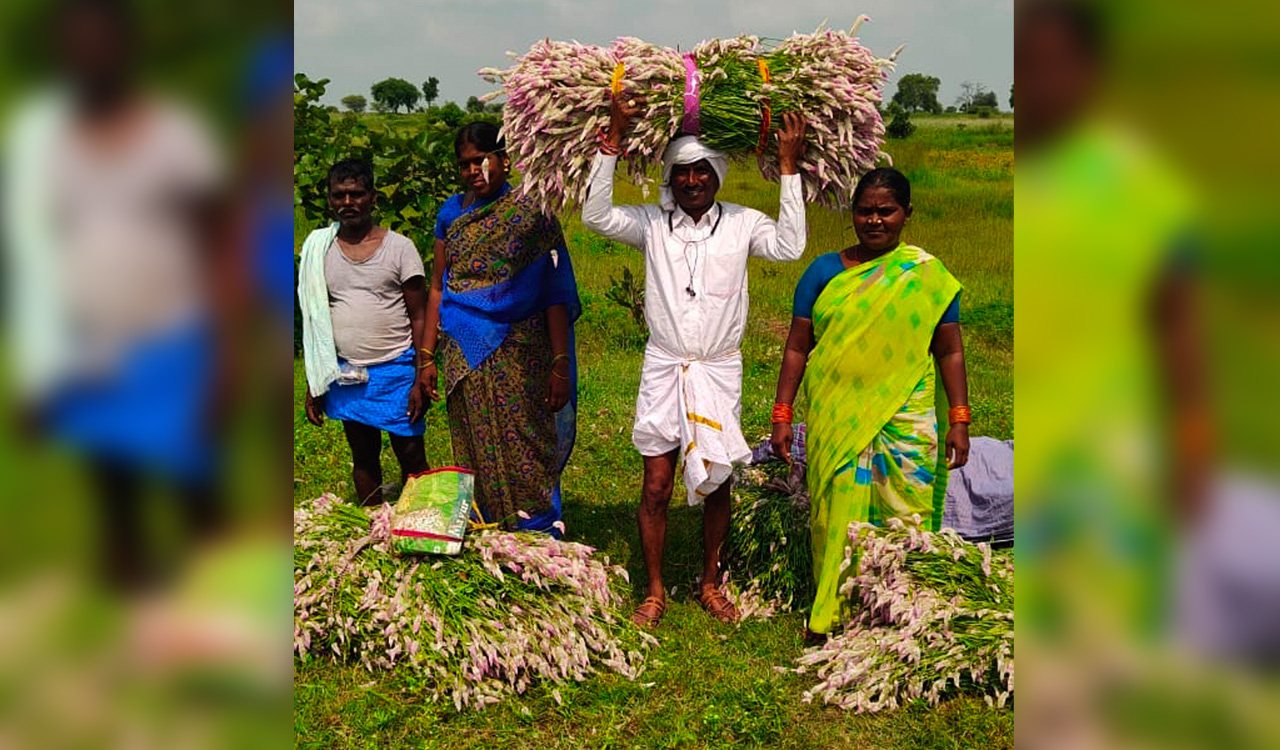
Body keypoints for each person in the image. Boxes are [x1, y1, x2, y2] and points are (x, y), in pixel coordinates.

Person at [3, 0, 230, 589]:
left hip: (173, 340)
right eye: (75, 45)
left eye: (101, 42)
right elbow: (34, 254)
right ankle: (137, 608)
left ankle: (225, 608)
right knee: (114, 487)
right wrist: (41, 372)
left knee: (195, 490)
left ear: (127, 50)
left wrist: (226, 354)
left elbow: (216, 238)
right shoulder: (43, 141)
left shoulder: (172, 133)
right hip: (92, 347)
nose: (88, 57)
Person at [583, 93, 809, 627]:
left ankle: (710, 581)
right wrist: (611, 141)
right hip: (665, 366)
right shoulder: (652, 224)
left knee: (717, 480)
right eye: (681, 172)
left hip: (717, 368)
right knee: (657, 483)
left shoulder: (742, 223)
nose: (691, 181)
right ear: (670, 177)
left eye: (701, 171)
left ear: (717, 174)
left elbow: (790, 245)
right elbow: (595, 216)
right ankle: (656, 589)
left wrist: (788, 169)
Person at [769, 167, 970, 638]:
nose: (875, 220)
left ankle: (901, 607)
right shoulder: (823, 272)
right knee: (835, 510)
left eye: (886, 211)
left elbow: (950, 350)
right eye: (864, 211)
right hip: (836, 414)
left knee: (906, 509)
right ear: (851, 214)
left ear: (907, 215)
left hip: (906, 414)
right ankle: (833, 611)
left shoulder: (927, 276)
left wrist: (958, 419)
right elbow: (798, 346)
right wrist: (783, 412)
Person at [420, 122, 581, 535]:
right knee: (475, 439)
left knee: (528, 436)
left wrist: (560, 362)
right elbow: (438, 285)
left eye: (481, 160)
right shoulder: (451, 214)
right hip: (463, 348)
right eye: (465, 164)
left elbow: (554, 291)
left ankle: (541, 532)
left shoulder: (533, 211)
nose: (474, 171)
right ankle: (489, 531)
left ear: (505, 160)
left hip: (521, 347)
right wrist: (426, 357)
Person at [298, 158, 430, 505]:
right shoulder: (319, 249)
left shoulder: (399, 248)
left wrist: (421, 376)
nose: (347, 203)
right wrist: (316, 382)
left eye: (356, 194)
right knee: (363, 455)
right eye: (339, 195)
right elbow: (314, 320)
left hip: (397, 368)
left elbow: (420, 316)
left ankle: (423, 529)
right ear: (329, 199)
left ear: (372, 197)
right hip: (347, 372)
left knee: (411, 452)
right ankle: (372, 526)